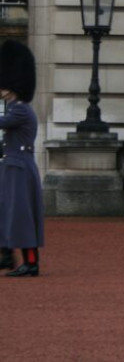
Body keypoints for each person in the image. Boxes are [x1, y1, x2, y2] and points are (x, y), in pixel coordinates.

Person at [0, 40, 44, 277]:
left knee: (22, 215)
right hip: (13, 166)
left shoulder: (19, 110)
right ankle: (7, 254)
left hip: (18, 167)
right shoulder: (18, 108)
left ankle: (31, 262)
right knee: (7, 211)